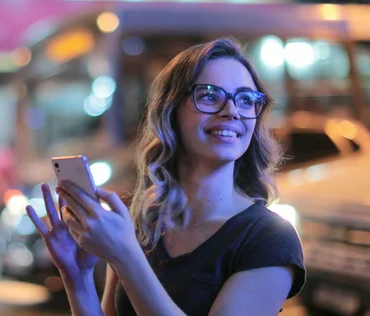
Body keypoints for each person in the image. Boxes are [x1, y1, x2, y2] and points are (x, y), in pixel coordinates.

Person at [26, 37, 305, 316]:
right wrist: (78, 277)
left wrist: (125, 256)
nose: (231, 111)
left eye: (246, 99)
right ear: (170, 111)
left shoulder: (270, 239)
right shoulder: (144, 222)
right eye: (209, 95)